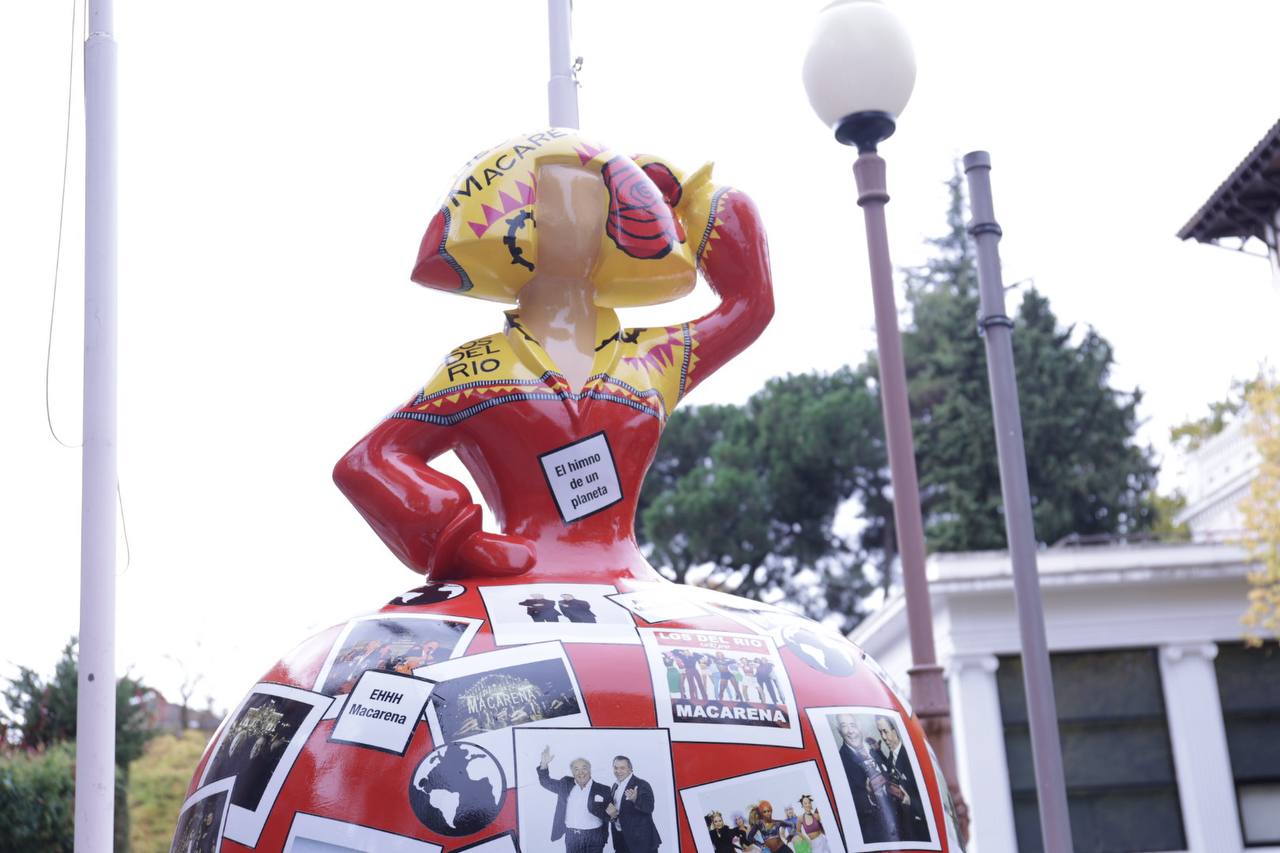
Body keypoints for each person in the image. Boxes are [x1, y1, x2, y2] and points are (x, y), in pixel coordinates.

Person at [332, 130, 774, 590]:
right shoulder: (479, 366)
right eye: (554, 194)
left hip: (628, 585)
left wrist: (701, 198)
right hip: (518, 591)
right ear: (519, 212)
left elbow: (750, 305)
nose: (574, 216)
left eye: (593, 198)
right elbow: (368, 460)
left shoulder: (651, 360)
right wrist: (455, 540)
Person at [835, 714, 898, 843]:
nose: (850, 731)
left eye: (852, 725)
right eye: (844, 726)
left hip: (900, 823)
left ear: (860, 726)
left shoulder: (873, 747)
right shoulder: (839, 761)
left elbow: (889, 774)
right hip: (878, 837)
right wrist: (868, 795)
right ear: (839, 730)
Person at [536, 746, 611, 853]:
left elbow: (611, 814)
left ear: (590, 770)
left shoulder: (603, 789)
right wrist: (544, 765)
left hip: (595, 837)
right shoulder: (565, 784)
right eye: (576, 769)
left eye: (584, 768)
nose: (581, 772)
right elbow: (546, 782)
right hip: (572, 837)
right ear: (572, 772)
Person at [876, 715, 931, 842]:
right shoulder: (890, 758)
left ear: (895, 730)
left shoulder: (912, 759)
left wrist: (910, 801)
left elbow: (929, 801)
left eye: (885, 731)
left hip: (919, 834)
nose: (883, 737)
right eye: (880, 732)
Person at [606, 755, 661, 853]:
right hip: (621, 839)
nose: (618, 771)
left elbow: (649, 808)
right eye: (615, 768)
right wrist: (612, 815)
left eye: (622, 768)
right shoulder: (615, 786)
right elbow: (618, 812)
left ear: (630, 769)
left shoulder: (641, 784)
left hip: (641, 842)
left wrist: (636, 799)